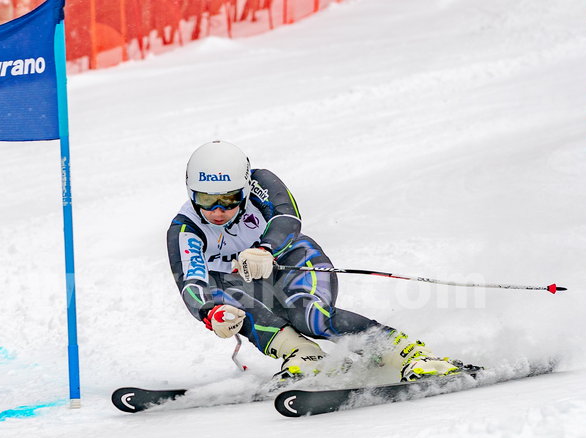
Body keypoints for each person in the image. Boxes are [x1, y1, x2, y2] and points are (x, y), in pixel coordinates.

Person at [166, 140, 464, 382]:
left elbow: (288, 217)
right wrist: (211, 312)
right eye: (206, 200)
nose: (218, 210)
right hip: (243, 283)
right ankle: (305, 356)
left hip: (293, 261)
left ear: (244, 190)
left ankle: (408, 353)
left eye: (229, 199)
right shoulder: (184, 228)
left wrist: (266, 249)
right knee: (233, 306)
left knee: (308, 314)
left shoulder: (261, 182)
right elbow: (192, 283)